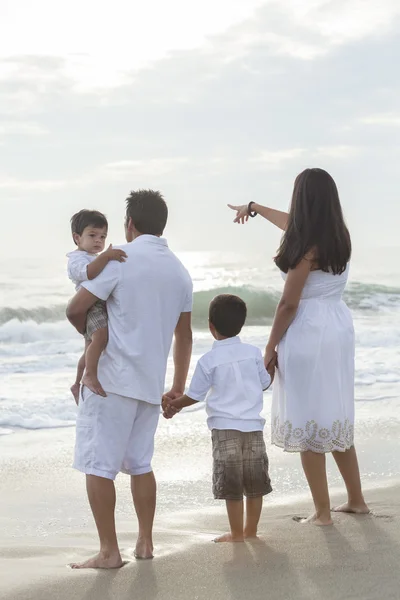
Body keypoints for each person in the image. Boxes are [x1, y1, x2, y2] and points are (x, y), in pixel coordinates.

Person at [228, 168, 369, 526]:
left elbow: (288, 304)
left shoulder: (307, 247)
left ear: (302, 199)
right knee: (334, 414)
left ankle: (322, 512)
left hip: (308, 331)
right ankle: (356, 500)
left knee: (308, 419)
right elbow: (289, 223)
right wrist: (254, 207)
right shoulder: (338, 236)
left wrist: (270, 347)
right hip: (337, 326)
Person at [66, 189, 193, 568]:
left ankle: (109, 551)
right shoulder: (179, 270)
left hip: (110, 382)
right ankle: (145, 543)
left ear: (130, 224)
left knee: (98, 464)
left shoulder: (119, 258)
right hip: (150, 384)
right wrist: (178, 387)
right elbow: (183, 335)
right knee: (140, 463)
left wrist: (89, 336)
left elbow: (76, 308)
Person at [162, 294, 273, 543]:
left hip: (224, 429)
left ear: (211, 327)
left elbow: (195, 395)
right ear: (241, 324)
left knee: (232, 485)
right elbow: (265, 383)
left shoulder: (208, 360)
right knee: (255, 483)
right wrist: (271, 369)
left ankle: (236, 534)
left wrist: (174, 405)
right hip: (253, 428)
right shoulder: (253, 353)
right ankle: (251, 532)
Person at [67, 210, 127, 402]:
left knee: (89, 348)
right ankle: (90, 375)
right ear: (77, 238)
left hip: (99, 304)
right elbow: (89, 274)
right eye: (92, 235)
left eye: (102, 236)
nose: (98, 241)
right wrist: (106, 257)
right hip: (92, 306)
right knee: (100, 338)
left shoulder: (93, 256)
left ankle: (77, 384)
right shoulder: (77, 259)